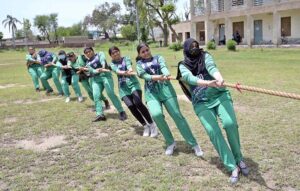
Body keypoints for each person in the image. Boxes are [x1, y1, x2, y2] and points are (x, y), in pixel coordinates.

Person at [177, 38, 249, 184]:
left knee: (230, 124)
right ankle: (232, 166)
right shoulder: (182, 65)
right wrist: (206, 83)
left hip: (219, 94)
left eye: (196, 46)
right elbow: (189, 78)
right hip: (201, 102)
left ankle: (238, 158)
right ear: (185, 50)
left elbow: (211, 67)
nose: (195, 49)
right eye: (191, 47)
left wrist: (219, 78)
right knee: (214, 132)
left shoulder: (206, 56)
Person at [135, 43, 203, 156]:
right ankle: (170, 143)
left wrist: (166, 73)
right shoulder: (139, 64)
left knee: (177, 115)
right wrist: (155, 77)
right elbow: (143, 75)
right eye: (143, 52)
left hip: (166, 90)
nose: (146, 53)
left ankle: (194, 144)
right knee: (156, 115)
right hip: (151, 93)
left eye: (147, 50)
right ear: (139, 54)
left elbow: (163, 67)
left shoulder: (159, 58)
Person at [109, 46, 158, 137]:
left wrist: (130, 69)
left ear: (119, 51)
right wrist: (123, 72)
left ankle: (152, 124)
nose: (115, 54)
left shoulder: (126, 58)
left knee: (138, 103)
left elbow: (129, 65)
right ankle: (145, 125)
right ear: (111, 56)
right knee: (131, 106)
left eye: (116, 51)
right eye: (113, 53)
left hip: (133, 84)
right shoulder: (111, 64)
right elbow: (117, 71)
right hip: (123, 88)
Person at [84, 47, 127, 122]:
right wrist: (97, 70)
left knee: (110, 93)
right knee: (96, 95)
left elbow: (102, 60)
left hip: (106, 76)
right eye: (86, 53)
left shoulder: (100, 54)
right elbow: (92, 71)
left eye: (89, 51)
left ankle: (122, 112)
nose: (88, 53)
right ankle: (100, 114)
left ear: (93, 51)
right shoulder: (87, 63)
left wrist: (103, 67)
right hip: (95, 79)